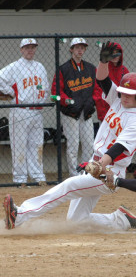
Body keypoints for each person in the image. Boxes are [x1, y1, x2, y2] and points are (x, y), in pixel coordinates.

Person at [3, 42, 136, 233]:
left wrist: (100, 165)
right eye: (123, 92)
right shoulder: (119, 98)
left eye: (130, 94)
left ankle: (20, 214)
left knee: (68, 186)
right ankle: (121, 220)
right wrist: (103, 61)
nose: (123, 96)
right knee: (76, 219)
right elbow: (102, 79)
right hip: (96, 162)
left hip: (110, 172)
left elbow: (119, 147)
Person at [0, 38, 49, 187]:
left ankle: (38, 177)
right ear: (21, 50)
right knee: (19, 145)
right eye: (27, 47)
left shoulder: (40, 66)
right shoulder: (15, 66)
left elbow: (45, 87)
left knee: (36, 145)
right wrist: (11, 92)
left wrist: (42, 98)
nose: (30, 50)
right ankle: (20, 179)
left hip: (37, 112)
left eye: (32, 47)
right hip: (20, 110)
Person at [51, 38, 100, 176]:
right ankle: (74, 174)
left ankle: (86, 172)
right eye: (77, 47)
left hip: (87, 113)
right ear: (71, 49)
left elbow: (97, 89)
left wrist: (93, 100)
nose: (80, 50)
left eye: (82, 47)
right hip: (70, 114)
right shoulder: (63, 69)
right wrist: (69, 102)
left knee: (89, 144)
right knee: (73, 145)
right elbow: (56, 91)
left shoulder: (91, 68)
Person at [94, 42, 129, 122]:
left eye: (117, 52)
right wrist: (103, 113)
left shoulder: (124, 70)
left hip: (121, 109)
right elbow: (98, 91)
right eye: (112, 53)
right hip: (106, 112)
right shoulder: (102, 69)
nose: (115, 55)